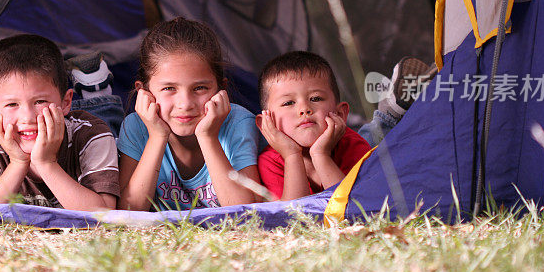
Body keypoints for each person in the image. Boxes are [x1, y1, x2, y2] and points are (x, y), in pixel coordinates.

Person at [117, 17, 261, 211]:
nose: (185, 104)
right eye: (169, 88)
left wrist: (208, 137)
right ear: (144, 92)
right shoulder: (136, 127)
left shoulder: (239, 123)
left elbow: (249, 213)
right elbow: (129, 212)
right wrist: (157, 136)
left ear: (221, 89)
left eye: (200, 88)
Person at [0, 34, 119, 210]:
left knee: (109, 122)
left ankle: (96, 93)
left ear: (66, 102)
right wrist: (18, 163)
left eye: (40, 101)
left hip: (81, 125)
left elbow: (105, 214)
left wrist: (46, 163)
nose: (28, 117)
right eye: (12, 104)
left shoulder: (91, 134)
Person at [256, 51, 371, 200]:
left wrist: (320, 155)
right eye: (288, 103)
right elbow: (294, 218)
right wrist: (292, 156)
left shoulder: (352, 145)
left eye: (315, 98)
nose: (304, 109)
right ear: (266, 123)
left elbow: (354, 210)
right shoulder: (270, 162)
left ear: (340, 113)